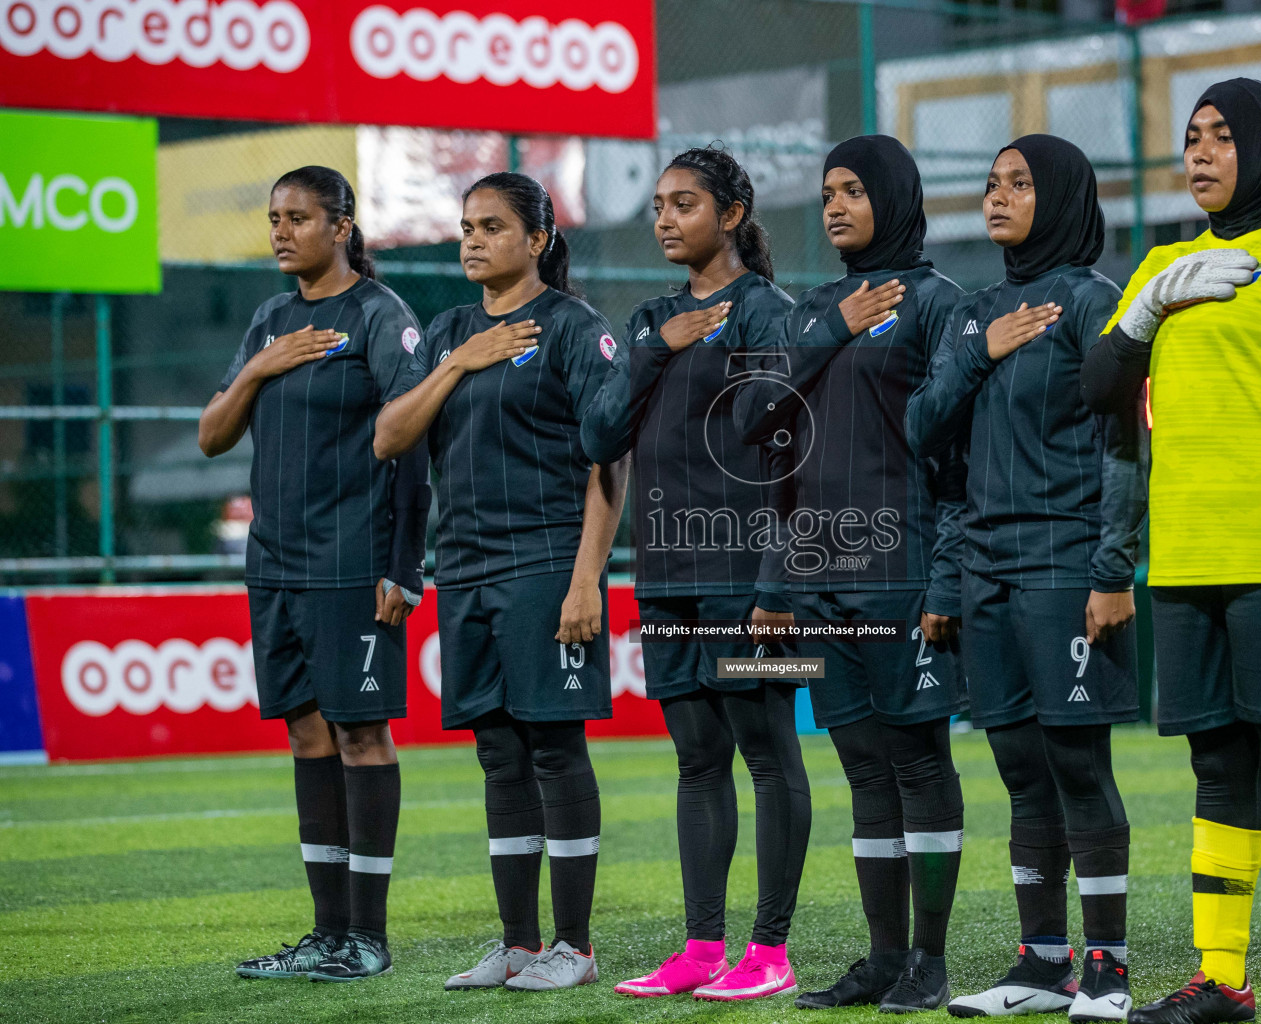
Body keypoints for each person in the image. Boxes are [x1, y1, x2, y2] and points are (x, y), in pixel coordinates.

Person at [1081, 79, 1261, 1024]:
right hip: (1186, 560)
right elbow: (1099, 389)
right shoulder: (1161, 263)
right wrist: (1146, 308)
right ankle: (1223, 979)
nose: (1199, 154)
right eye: (1191, 138)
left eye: (1220, 138)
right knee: (1217, 767)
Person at [906, 135, 1146, 1020]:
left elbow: (1128, 446)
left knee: (1078, 766)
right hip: (985, 569)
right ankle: (1042, 964)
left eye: (1019, 184)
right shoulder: (974, 313)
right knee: (1017, 768)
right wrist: (981, 351)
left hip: (1066, 561)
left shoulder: (1093, 303)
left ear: (1064, 196)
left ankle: (1110, 972)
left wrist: (1113, 566)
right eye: (991, 182)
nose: (997, 197)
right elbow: (925, 431)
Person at [372, 172, 627, 994]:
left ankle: (575, 948)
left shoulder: (573, 329)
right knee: (497, 753)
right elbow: (390, 437)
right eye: (466, 226)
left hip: (546, 565)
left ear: (539, 240)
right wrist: (459, 364)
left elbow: (607, 461)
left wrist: (588, 580)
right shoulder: (447, 331)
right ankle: (518, 944)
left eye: (491, 226)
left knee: (554, 748)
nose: (472, 240)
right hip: (468, 570)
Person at [734, 134, 968, 1014]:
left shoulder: (942, 304)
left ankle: (930, 961)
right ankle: (880, 959)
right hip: (820, 577)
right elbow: (761, 430)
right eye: (828, 192)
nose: (834, 206)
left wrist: (946, 583)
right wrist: (777, 582)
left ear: (896, 198)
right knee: (865, 769)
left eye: (853, 191)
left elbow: (960, 460)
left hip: (902, 570)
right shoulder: (811, 312)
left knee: (918, 760)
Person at [580, 145, 812, 1002]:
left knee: (767, 748)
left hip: (749, 573)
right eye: (660, 206)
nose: (666, 219)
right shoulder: (649, 321)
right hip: (669, 575)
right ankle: (703, 947)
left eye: (685, 204)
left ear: (733, 215)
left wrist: (779, 584)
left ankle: (771, 951)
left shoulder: (767, 314)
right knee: (697, 759)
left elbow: (792, 460)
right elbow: (599, 437)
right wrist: (657, 350)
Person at [198, 165, 429, 982]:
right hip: (275, 567)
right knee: (305, 732)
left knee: (363, 734)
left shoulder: (380, 315)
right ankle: (327, 935)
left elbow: (413, 444)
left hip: (352, 564)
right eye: (274, 218)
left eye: (298, 216)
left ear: (341, 225)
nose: (281, 231)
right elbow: (211, 436)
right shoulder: (268, 320)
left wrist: (403, 567)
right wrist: (260, 367)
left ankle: (368, 936)